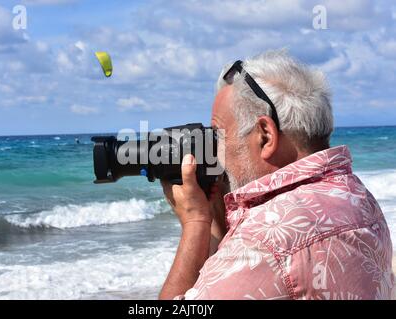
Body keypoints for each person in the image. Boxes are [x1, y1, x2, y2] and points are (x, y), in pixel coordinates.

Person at [159, 50, 394, 300]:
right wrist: (215, 212)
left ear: (266, 136)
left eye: (219, 134)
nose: (215, 151)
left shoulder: (264, 243)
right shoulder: (360, 199)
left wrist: (195, 222)